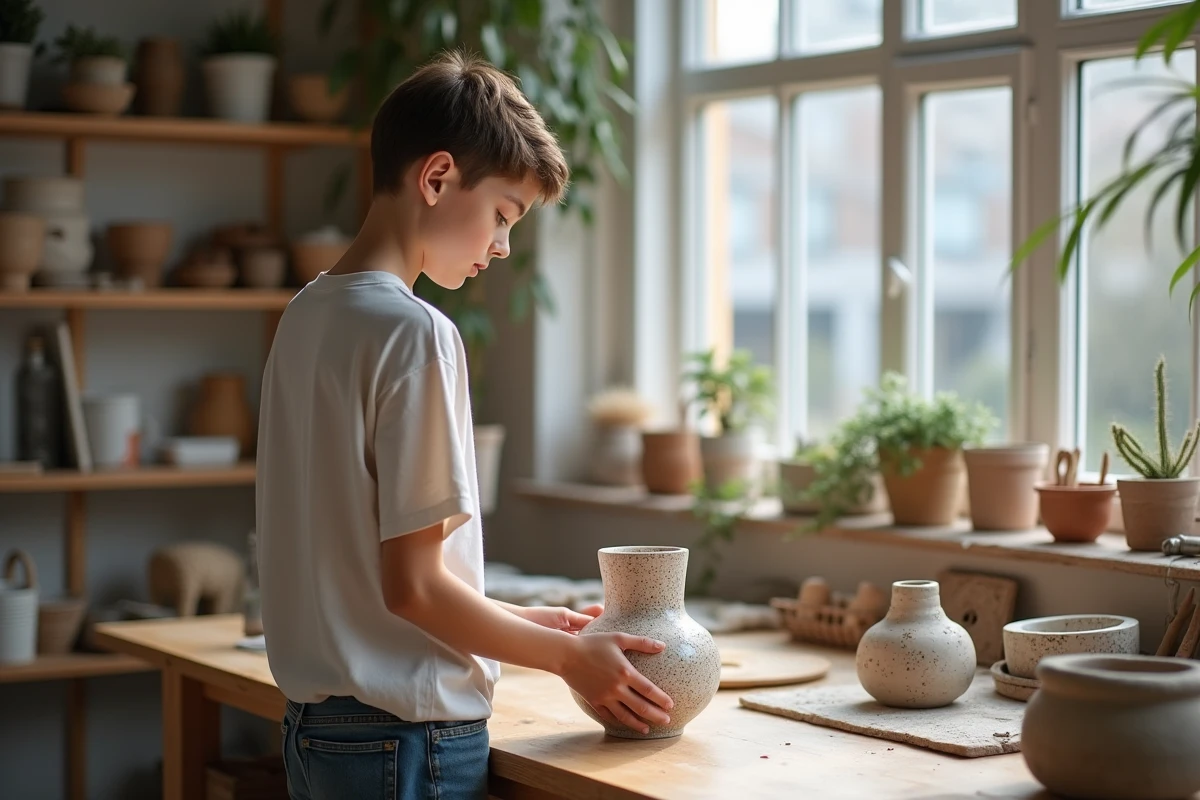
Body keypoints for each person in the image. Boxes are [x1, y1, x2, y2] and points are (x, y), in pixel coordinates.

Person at [255, 50, 673, 800]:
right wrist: (566, 660)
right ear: (438, 177)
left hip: (320, 735)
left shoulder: (306, 316)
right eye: (503, 216)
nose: (503, 247)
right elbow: (413, 590)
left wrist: (528, 622)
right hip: (406, 745)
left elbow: (367, 580)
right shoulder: (415, 333)